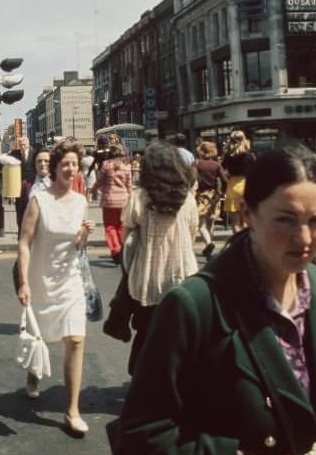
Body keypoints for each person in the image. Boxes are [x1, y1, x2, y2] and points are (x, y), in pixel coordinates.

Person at [117, 144, 316, 455]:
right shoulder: (193, 306)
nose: (305, 239)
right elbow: (141, 437)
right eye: (286, 220)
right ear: (249, 214)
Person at [16, 138, 95, 436]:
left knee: (75, 340)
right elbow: (24, 242)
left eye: (75, 165)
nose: (71, 169)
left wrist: (84, 235)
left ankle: (72, 411)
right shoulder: (39, 199)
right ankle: (34, 374)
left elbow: (76, 246)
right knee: (42, 335)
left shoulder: (81, 201)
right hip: (40, 278)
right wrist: (24, 282)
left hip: (70, 280)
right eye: (66, 164)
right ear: (56, 168)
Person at [120, 141, 199, 374]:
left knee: (146, 329)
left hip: (148, 275)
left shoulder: (140, 197)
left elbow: (127, 236)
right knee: (177, 333)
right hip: (183, 273)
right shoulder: (188, 198)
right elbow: (192, 234)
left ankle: (141, 377)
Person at [94, 143, 132, 265]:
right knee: (121, 226)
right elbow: (129, 186)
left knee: (110, 227)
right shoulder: (127, 168)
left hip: (109, 201)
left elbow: (100, 181)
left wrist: (93, 189)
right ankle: (122, 247)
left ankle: (116, 250)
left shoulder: (106, 165)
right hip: (123, 200)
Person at [194, 140, 226, 256]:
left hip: (202, 195)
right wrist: (223, 192)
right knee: (210, 222)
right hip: (214, 196)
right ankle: (210, 243)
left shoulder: (197, 163)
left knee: (200, 223)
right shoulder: (216, 165)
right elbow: (224, 179)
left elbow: (192, 178)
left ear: (201, 151)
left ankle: (208, 243)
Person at [222, 130, 255, 233]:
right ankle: (246, 243)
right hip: (246, 186)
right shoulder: (249, 155)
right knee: (245, 221)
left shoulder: (229, 156)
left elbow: (222, 169)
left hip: (232, 185)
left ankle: (237, 243)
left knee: (235, 223)